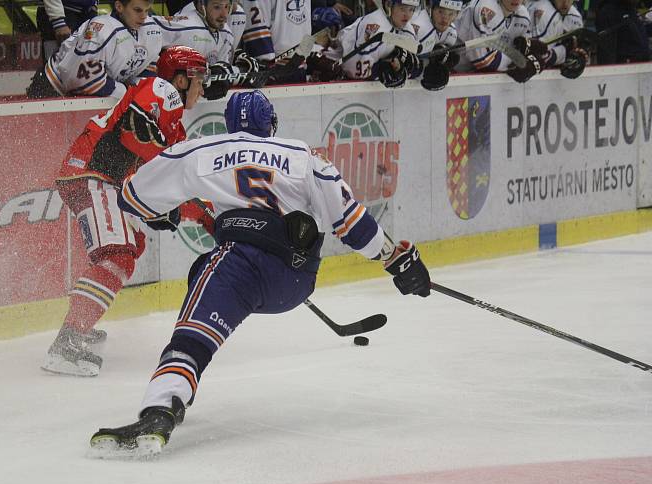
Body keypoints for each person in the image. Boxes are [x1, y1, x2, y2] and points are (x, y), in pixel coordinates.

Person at [89, 90, 431, 456]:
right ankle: (175, 387)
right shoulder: (304, 156)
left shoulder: (204, 150)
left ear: (230, 125)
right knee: (201, 271)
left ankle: (161, 407)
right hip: (296, 279)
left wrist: (159, 211)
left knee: (193, 328)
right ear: (271, 125)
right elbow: (353, 224)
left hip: (239, 266)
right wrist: (397, 259)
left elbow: (133, 195)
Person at [41, 46, 208, 377]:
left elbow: (169, 180)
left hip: (100, 178)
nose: (202, 87)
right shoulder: (161, 89)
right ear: (179, 79)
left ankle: (79, 326)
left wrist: (202, 217)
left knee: (128, 249)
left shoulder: (175, 126)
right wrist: (160, 198)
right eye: (198, 78)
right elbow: (135, 133)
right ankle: (68, 339)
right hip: (94, 173)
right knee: (117, 255)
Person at [26, 0, 163, 99]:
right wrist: (127, 92)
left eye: (147, 10)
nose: (143, 17)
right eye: (137, 10)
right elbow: (83, 81)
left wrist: (146, 91)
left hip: (81, 92)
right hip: (51, 87)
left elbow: (145, 69)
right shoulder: (102, 29)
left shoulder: (149, 29)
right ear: (119, 6)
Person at [155, 0, 260, 99]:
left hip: (194, 99)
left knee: (240, 13)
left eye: (226, 6)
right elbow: (148, 25)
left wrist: (238, 71)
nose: (223, 15)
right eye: (217, 7)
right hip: (170, 95)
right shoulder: (188, 27)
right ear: (202, 6)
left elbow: (219, 71)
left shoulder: (226, 33)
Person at [308, 0, 420, 87]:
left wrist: (403, 70)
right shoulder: (375, 25)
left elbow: (414, 64)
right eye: (402, 8)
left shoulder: (406, 28)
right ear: (388, 5)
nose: (407, 15)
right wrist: (380, 70)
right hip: (324, 60)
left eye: (411, 9)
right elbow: (354, 70)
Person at [455, 0, 545, 83]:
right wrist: (518, 62)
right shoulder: (486, 9)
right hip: (455, 73)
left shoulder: (523, 15)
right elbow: (483, 60)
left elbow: (523, 52)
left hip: (474, 77)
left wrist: (531, 58)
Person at [410, 0, 462, 90]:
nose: (445, 19)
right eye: (440, 11)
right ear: (430, 8)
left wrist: (443, 63)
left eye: (451, 14)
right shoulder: (417, 28)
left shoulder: (451, 32)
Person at [528, 0, 587, 78]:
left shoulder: (575, 16)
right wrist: (565, 52)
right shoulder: (541, 10)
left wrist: (577, 57)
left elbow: (576, 50)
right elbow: (536, 57)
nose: (565, 3)